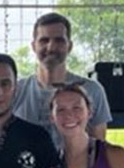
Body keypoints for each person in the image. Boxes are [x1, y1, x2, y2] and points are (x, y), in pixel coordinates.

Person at [14, 12, 112, 147]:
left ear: (70, 46)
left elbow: (99, 148)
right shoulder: (16, 91)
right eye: (44, 40)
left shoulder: (92, 90)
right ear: (33, 46)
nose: (51, 47)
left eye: (59, 40)